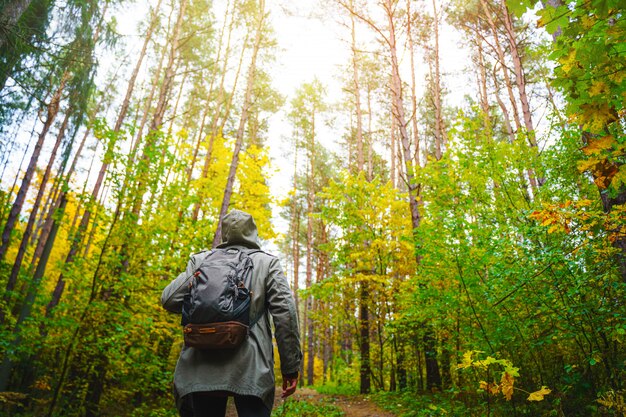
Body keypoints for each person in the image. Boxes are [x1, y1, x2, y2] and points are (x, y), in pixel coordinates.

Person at [161, 209, 302, 417]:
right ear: (253, 232)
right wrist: (290, 367)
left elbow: (169, 299)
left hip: (200, 366)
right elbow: (285, 315)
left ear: (225, 232)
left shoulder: (201, 260)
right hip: (251, 367)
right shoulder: (267, 263)